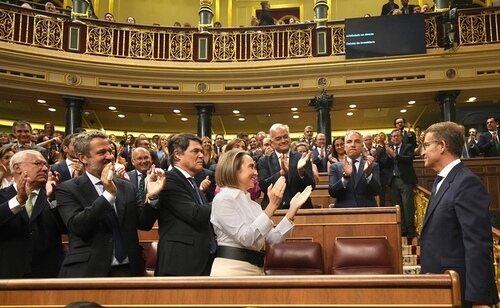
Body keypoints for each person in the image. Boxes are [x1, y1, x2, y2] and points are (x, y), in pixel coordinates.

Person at [56, 131, 164, 277]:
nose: (109, 156)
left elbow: (144, 223)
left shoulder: (127, 186)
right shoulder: (68, 189)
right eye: (101, 152)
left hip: (130, 270)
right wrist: (108, 195)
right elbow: (78, 226)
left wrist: (152, 197)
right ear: (83, 158)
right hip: (88, 271)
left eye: (110, 151)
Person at [420, 121, 499, 308]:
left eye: (426, 145)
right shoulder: (440, 181)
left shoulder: (466, 183)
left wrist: (479, 299)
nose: (421, 152)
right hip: (441, 283)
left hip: (460, 289)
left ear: (441, 146)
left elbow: (478, 244)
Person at [210, 149, 312, 276]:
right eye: (251, 167)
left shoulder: (253, 205)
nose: (256, 172)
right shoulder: (222, 200)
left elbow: (273, 239)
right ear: (234, 169)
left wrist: (292, 210)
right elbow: (246, 238)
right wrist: (272, 205)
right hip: (232, 270)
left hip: (256, 269)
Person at [155, 133, 215, 276]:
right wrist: (224, 200)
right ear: (178, 154)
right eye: (195, 151)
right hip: (180, 264)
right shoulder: (169, 179)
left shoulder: (191, 181)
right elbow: (195, 214)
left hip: (198, 261)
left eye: (202, 151)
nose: (201, 155)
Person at [0, 150, 65, 278]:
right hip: (8, 274)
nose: (45, 168)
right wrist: (18, 200)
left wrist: (52, 200)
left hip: (49, 275)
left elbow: (67, 228)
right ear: (17, 168)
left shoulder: (54, 196)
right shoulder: (2, 196)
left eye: (46, 165)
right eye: (38, 163)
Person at [257, 123, 315, 209]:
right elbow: (263, 187)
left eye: (285, 137)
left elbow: (311, 187)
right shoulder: (264, 161)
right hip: (274, 209)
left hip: (301, 208)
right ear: (272, 143)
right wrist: (280, 173)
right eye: (278, 138)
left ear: (290, 138)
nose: (283, 141)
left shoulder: (301, 157)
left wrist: (301, 172)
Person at [329, 131, 381, 208]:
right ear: (345, 146)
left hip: (368, 213)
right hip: (343, 213)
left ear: (362, 146)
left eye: (357, 141)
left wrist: (368, 175)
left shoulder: (372, 165)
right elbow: (332, 193)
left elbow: (377, 191)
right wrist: (345, 177)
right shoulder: (335, 167)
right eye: (349, 142)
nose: (353, 145)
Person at [386, 129, 417, 239]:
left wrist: (394, 155)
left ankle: (410, 231)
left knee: (408, 206)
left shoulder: (407, 147)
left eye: (397, 136)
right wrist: (388, 155)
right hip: (394, 181)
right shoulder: (389, 149)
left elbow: (409, 159)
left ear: (401, 137)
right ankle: (402, 230)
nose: (395, 138)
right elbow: (385, 163)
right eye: (393, 136)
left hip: (405, 180)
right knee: (397, 206)